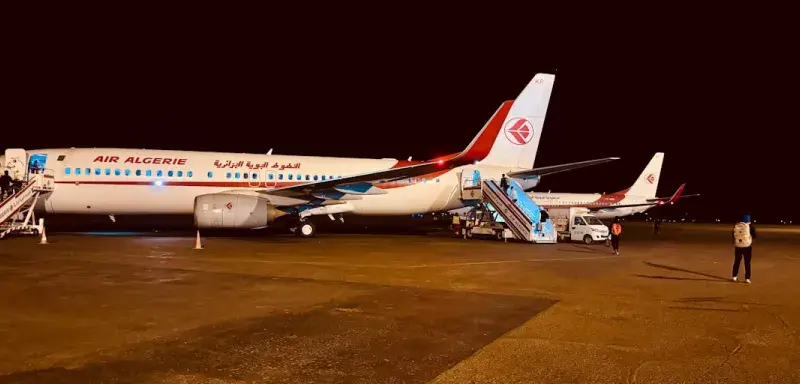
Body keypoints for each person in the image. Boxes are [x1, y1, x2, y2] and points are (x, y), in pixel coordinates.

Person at [732, 214, 756, 283]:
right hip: (747, 246)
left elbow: (733, 236)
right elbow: (754, 236)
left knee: (737, 262)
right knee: (747, 263)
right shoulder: (750, 226)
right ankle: (747, 278)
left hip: (738, 246)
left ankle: (734, 276)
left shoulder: (736, 226)